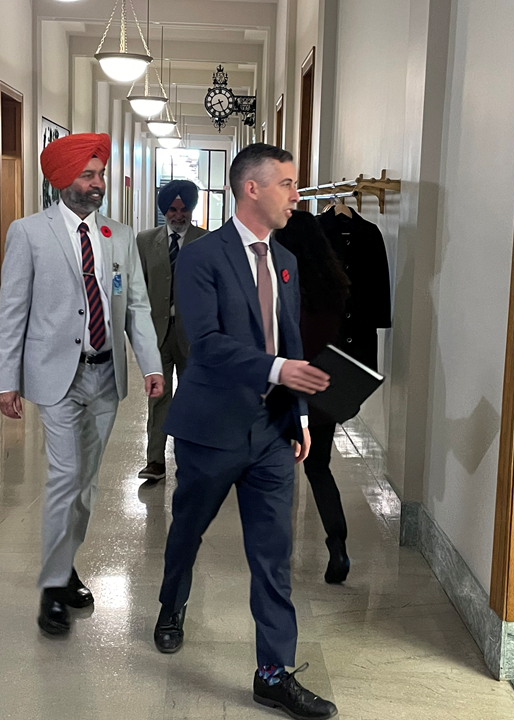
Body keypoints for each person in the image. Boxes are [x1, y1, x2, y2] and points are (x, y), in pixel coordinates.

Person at [154, 144, 338, 720]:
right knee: (188, 530)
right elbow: (204, 346)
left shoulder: (284, 259)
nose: (296, 195)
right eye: (286, 183)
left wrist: (300, 413)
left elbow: (290, 338)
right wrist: (277, 369)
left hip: (270, 431)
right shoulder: (202, 257)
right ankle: (171, 603)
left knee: (273, 554)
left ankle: (273, 673)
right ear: (251, 189)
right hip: (211, 429)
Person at [0, 133, 165, 636]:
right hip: (55, 377)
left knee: (87, 487)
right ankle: (51, 587)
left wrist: (151, 366)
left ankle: (66, 565)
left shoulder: (119, 235)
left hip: (105, 375)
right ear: (61, 179)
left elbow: (135, 306)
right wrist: (6, 379)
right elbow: (12, 312)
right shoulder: (28, 232)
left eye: (100, 175)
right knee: (65, 477)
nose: (97, 184)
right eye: (88, 175)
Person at [273, 210, 352, 584]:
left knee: (276, 473)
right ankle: (337, 545)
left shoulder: (282, 283)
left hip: (285, 389)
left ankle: (278, 553)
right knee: (319, 468)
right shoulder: (334, 284)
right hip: (322, 387)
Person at [135, 180, 209, 482]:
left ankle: (191, 459)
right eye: (172, 209)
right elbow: (137, 289)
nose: (178, 215)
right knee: (158, 397)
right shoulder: (144, 241)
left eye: (183, 209)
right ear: (164, 210)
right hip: (157, 333)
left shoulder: (206, 241)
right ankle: (155, 461)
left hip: (192, 335)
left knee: (192, 398)